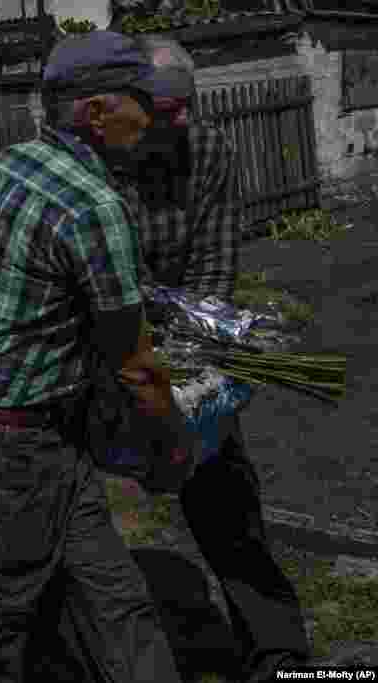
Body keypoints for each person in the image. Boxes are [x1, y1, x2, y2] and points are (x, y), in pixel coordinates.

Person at [0, 31, 184, 682]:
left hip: (0, 427)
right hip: (16, 449)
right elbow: (136, 364)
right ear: (95, 113)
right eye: (142, 102)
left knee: (114, 598)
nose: (153, 116)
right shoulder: (95, 204)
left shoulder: (1, 165)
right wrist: (170, 445)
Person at [108, 36, 313, 682]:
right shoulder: (102, 166)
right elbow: (109, 282)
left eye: (189, 106)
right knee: (70, 491)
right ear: (133, 108)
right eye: (170, 111)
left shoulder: (212, 151)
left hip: (183, 338)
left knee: (224, 483)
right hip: (105, 340)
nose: (185, 122)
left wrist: (193, 370)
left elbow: (213, 273)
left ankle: (274, 647)